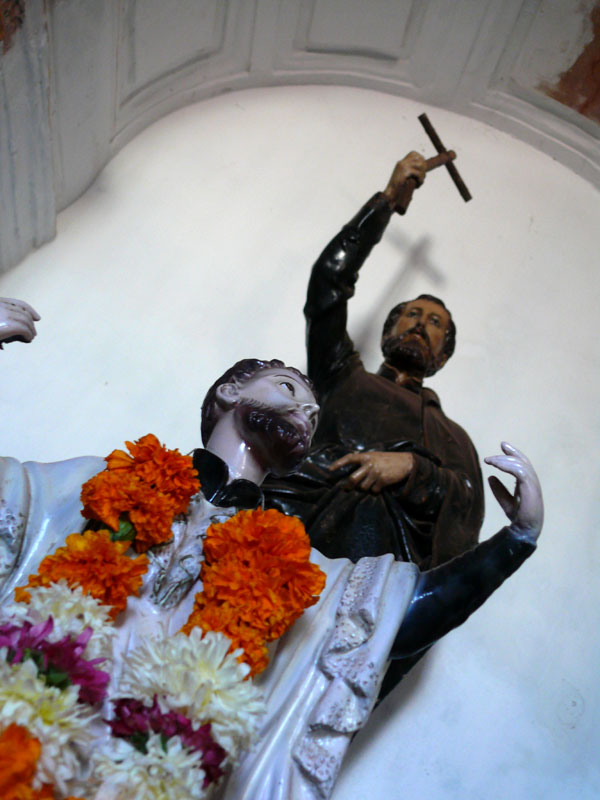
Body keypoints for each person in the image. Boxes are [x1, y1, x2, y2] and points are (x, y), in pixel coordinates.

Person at [263, 153, 484, 570]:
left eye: (435, 323)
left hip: (380, 567)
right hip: (293, 521)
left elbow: (468, 507)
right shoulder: (344, 374)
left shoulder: (451, 436)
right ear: (387, 334)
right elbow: (328, 283)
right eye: (412, 315)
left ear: (443, 355)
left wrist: (413, 469)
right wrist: (385, 202)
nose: (420, 324)